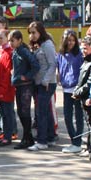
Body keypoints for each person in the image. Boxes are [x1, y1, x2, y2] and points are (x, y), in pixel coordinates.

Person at [27, 21, 58, 152]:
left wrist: (45, 81)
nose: (32, 35)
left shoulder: (47, 44)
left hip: (46, 84)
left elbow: (52, 64)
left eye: (34, 32)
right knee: (45, 111)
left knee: (41, 112)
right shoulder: (38, 45)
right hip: (39, 82)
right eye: (30, 33)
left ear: (40, 31)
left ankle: (42, 141)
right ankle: (50, 137)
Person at [10, 30, 40, 150]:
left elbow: (35, 66)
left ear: (19, 40)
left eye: (13, 40)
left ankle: (27, 138)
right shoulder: (16, 51)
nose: (10, 43)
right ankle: (28, 137)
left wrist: (26, 76)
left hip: (25, 85)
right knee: (21, 112)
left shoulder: (23, 51)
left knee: (24, 112)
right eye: (10, 41)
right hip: (19, 84)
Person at [56, 30, 83, 153]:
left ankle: (77, 142)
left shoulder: (79, 54)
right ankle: (74, 140)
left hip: (77, 88)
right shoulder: (61, 54)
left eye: (72, 40)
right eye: (68, 40)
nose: (70, 43)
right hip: (66, 88)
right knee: (67, 116)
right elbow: (59, 68)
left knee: (78, 116)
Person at [73, 37, 91, 157]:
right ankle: (89, 147)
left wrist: (78, 92)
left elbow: (90, 82)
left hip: (89, 97)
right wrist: (77, 91)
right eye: (82, 48)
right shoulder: (86, 61)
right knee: (89, 123)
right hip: (83, 97)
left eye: (85, 48)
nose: (83, 51)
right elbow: (81, 80)